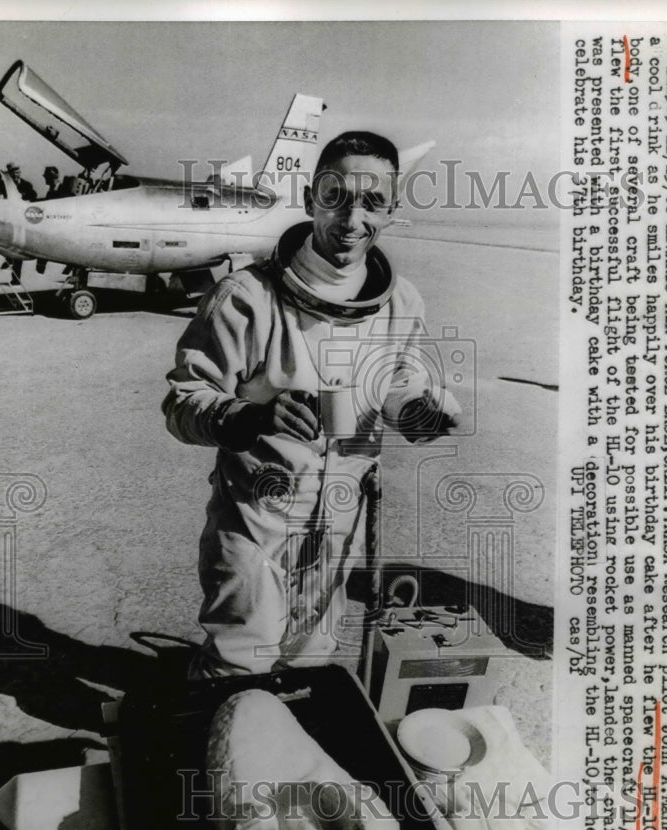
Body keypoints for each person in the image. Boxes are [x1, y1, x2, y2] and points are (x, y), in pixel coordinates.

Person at [163, 131, 460, 677]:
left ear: (391, 211)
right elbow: (183, 402)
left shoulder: (401, 303)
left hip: (341, 523)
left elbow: (398, 384)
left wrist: (415, 413)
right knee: (240, 658)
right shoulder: (246, 298)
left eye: (372, 202)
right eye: (335, 197)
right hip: (256, 518)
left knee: (312, 661)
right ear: (309, 199)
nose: (351, 219)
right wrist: (248, 417)